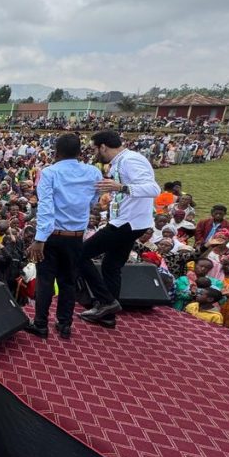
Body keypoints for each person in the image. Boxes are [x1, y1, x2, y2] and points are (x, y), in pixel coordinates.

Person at [79, 130, 161, 328]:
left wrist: (120, 188)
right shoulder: (120, 161)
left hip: (127, 223)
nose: (95, 153)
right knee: (111, 266)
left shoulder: (131, 160)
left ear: (103, 146)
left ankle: (106, 302)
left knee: (79, 254)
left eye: (95, 149)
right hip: (128, 222)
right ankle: (107, 316)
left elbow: (153, 189)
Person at [26, 133, 102, 339]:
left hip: (51, 236)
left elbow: (46, 208)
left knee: (45, 281)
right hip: (76, 237)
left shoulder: (49, 173)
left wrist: (39, 239)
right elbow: (94, 201)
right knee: (68, 281)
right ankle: (65, 324)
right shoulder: (94, 173)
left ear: (56, 152)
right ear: (80, 152)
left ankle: (41, 324)